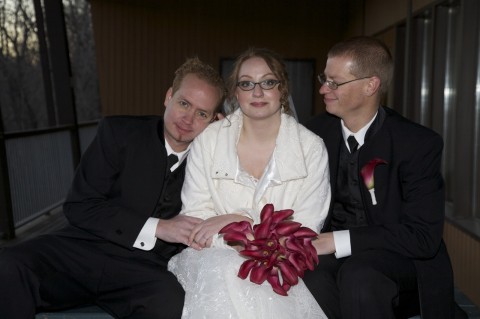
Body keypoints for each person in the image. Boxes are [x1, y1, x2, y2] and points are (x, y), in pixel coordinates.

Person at [0, 57, 226, 319]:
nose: (188, 119)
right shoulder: (119, 132)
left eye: (202, 113)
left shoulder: (211, 163)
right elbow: (79, 206)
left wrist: (224, 138)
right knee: (9, 265)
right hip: (82, 251)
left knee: (169, 302)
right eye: (184, 103)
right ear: (168, 97)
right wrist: (160, 227)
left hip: (144, 270)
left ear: (213, 121)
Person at [305, 36, 465, 319]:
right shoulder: (312, 133)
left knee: (360, 277)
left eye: (334, 82)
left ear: (371, 85)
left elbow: (423, 237)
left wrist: (339, 241)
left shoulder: (417, 143)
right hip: (331, 254)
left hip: (400, 259)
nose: (322, 89)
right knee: (307, 271)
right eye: (324, 78)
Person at [167, 48, 331, 318]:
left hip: (279, 263)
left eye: (267, 82)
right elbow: (196, 219)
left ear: (282, 88)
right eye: (246, 83)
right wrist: (244, 235)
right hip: (211, 259)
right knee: (225, 270)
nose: (257, 92)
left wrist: (237, 220)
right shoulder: (208, 141)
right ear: (236, 92)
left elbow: (305, 228)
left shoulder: (311, 149)